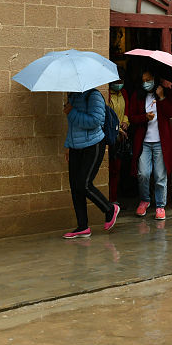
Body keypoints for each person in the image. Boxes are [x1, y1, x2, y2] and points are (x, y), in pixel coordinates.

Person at [62, 87, 121, 238]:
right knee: (75, 187)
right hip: (75, 147)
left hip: (93, 145)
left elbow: (95, 121)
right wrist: (68, 145)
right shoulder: (73, 96)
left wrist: (72, 112)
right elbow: (73, 126)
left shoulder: (94, 96)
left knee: (84, 184)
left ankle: (110, 209)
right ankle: (82, 227)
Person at [128, 71, 172, 220]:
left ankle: (160, 206)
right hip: (144, 142)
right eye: (143, 80)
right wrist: (144, 117)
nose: (146, 83)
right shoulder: (137, 96)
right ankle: (145, 200)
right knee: (143, 173)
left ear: (155, 79)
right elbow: (132, 117)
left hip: (160, 143)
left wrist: (162, 97)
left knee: (159, 175)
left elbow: (170, 113)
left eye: (149, 80)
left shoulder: (164, 93)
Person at [105, 80, 131, 203]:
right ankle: (109, 198)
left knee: (117, 169)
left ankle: (114, 198)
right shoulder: (107, 94)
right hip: (111, 135)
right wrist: (118, 130)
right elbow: (108, 116)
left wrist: (125, 122)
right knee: (111, 169)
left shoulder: (123, 92)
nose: (119, 84)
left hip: (121, 137)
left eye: (121, 81)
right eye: (117, 81)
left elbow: (126, 110)